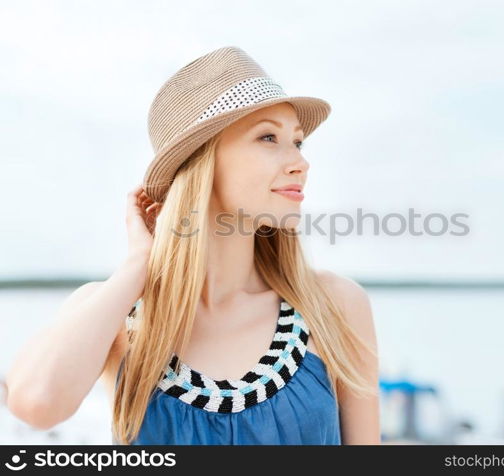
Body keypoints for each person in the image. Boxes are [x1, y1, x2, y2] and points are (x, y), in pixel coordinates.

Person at [5, 46, 380, 445]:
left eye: (298, 142)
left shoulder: (334, 306)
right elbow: (36, 404)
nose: (300, 163)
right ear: (203, 161)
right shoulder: (118, 313)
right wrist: (137, 266)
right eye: (269, 137)